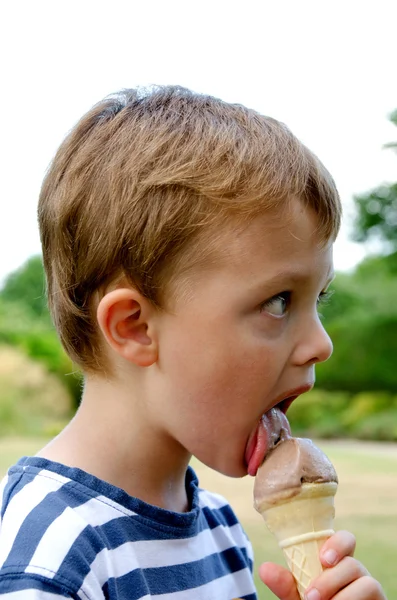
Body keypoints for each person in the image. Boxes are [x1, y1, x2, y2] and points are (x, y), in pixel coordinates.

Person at [0, 86, 386, 600]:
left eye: (321, 299)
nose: (322, 344)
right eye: (278, 301)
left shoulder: (221, 532)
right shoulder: (52, 553)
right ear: (135, 327)